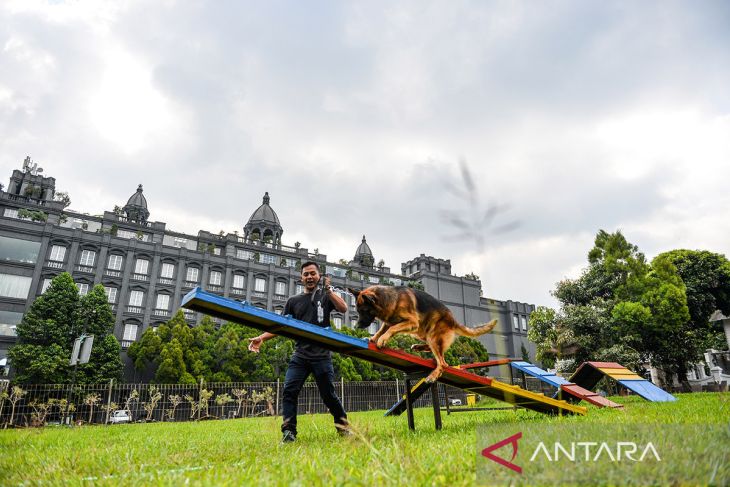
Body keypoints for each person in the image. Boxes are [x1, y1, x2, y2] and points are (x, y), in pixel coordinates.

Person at [248, 261, 349, 443]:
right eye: (306, 274)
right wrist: (261, 338)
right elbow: (280, 326)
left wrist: (329, 291)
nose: (309, 277)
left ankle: (343, 428)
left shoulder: (325, 297)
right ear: (301, 278)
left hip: (322, 356)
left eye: (313, 273)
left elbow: (343, 308)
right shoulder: (293, 301)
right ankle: (289, 432)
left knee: (328, 395)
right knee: (289, 391)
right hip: (300, 356)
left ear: (319, 276)